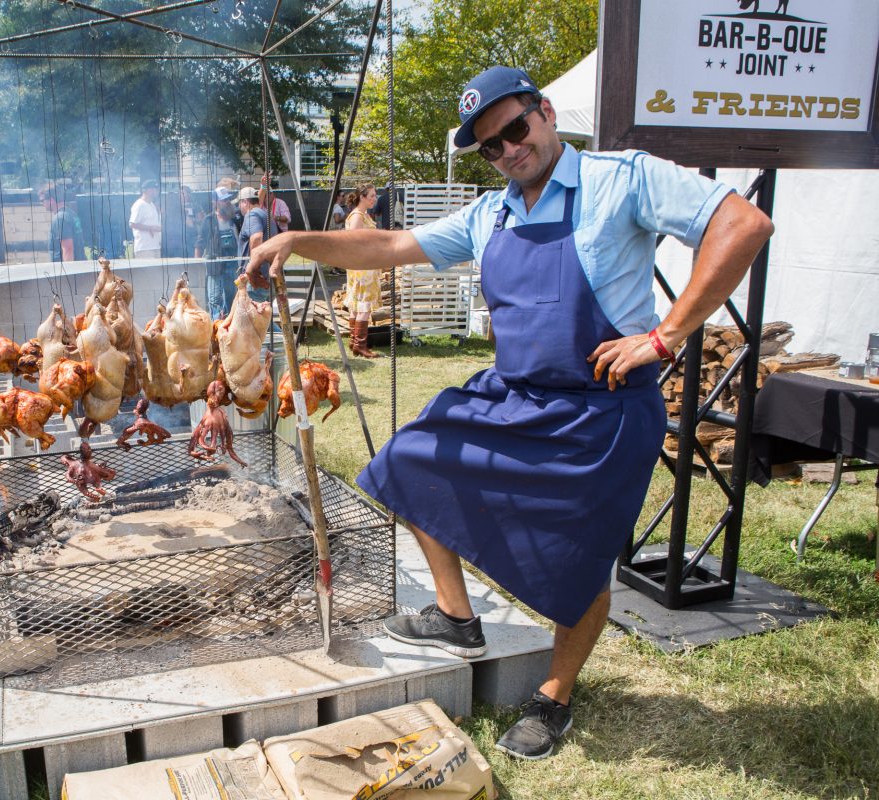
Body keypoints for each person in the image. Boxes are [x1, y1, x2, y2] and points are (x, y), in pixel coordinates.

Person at [246, 66, 773, 760]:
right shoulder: (489, 214)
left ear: (546, 114)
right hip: (517, 397)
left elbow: (743, 224)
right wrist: (296, 241)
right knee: (410, 461)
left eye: (515, 130)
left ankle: (555, 696)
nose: (508, 151)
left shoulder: (623, 179)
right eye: (491, 147)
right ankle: (457, 617)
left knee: (577, 566)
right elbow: (392, 246)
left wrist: (664, 337)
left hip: (602, 414)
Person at [341, 183, 381, 358]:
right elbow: (354, 242)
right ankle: (360, 344)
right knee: (363, 304)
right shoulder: (357, 216)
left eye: (375, 195)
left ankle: (354, 341)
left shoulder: (362, 215)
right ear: (362, 197)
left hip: (361, 264)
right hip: (362, 266)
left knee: (357, 304)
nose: (374, 199)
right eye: (371, 196)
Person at [195, 188, 239, 319]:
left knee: (231, 297)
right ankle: (216, 325)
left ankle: (229, 325)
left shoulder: (235, 219)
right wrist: (197, 263)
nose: (227, 202)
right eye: (224, 200)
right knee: (214, 298)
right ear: (215, 202)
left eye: (228, 200)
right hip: (214, 266)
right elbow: (200, 242)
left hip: (232, 265)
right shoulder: (209, 220)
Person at [236, 186, 277, 303]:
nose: (239, 208)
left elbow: (256, 237)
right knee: (263, 318)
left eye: (240, 204)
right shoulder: (265, 214)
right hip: (268, 276)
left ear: (245, 202)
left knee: (252, 319)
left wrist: (254, 270)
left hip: (257, 281)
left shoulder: (252, 215)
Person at [38, 181, 81, 263]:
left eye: (42, 201)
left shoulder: (60, 219)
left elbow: (68, 249)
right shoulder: (71, 213)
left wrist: (67, 275)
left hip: (68, 271)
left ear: (51, 200)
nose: (42, 204)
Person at [129, 179, 163, 260]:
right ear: (149, 190)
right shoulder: (139, 205)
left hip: (155, 246)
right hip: (144, 248)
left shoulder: (152, 205)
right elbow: (132, 224)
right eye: (155, 189)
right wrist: (150, 228)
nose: (157, 191)